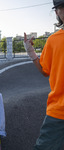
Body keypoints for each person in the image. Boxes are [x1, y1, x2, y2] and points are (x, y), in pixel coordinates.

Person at [23, 0, 64, 149]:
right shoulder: (53, 40)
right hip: (59, 111)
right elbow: (44, 71)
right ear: (57, 12)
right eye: (62, 7)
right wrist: (30, 51)